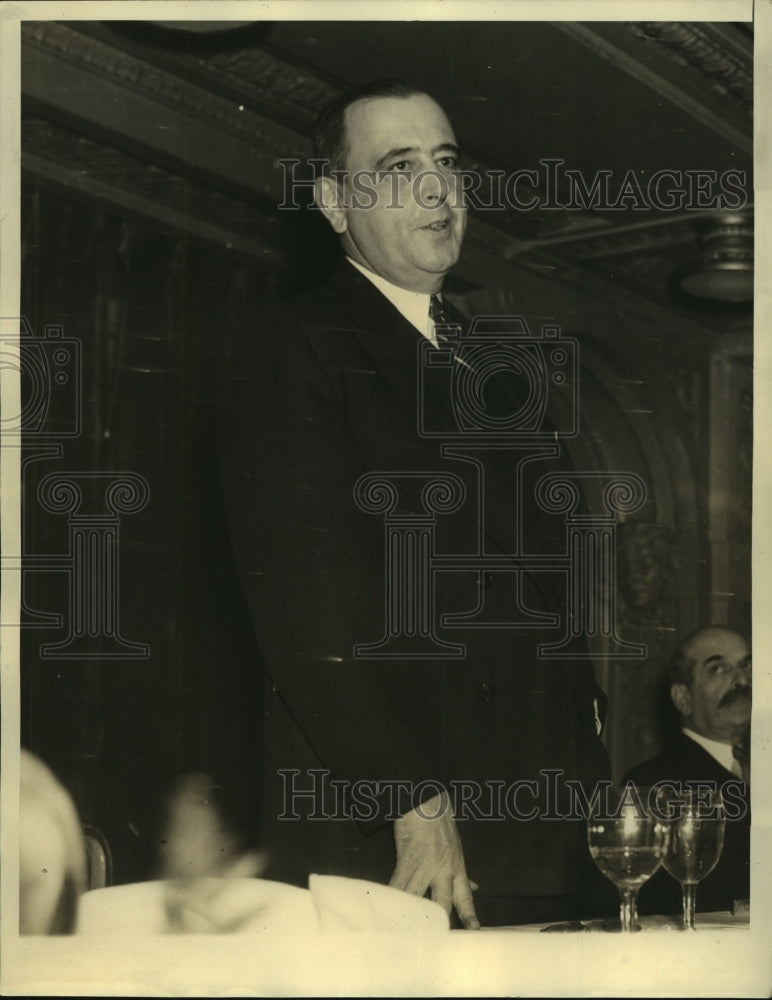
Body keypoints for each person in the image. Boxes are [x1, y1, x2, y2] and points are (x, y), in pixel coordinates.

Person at [222, 78, 611, 927]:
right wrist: (411, 798)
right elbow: (307, 605)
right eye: (399, 168)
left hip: (541, 824)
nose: (437, 190)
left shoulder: (495, 365)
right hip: (408, 834)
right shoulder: (295, 343)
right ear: (334, 203)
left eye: (446, 162)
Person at [623, 625, 751, 914]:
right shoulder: (650, 784)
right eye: (718, 669)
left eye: (747, 666)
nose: (742, 680)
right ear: (683, 698)